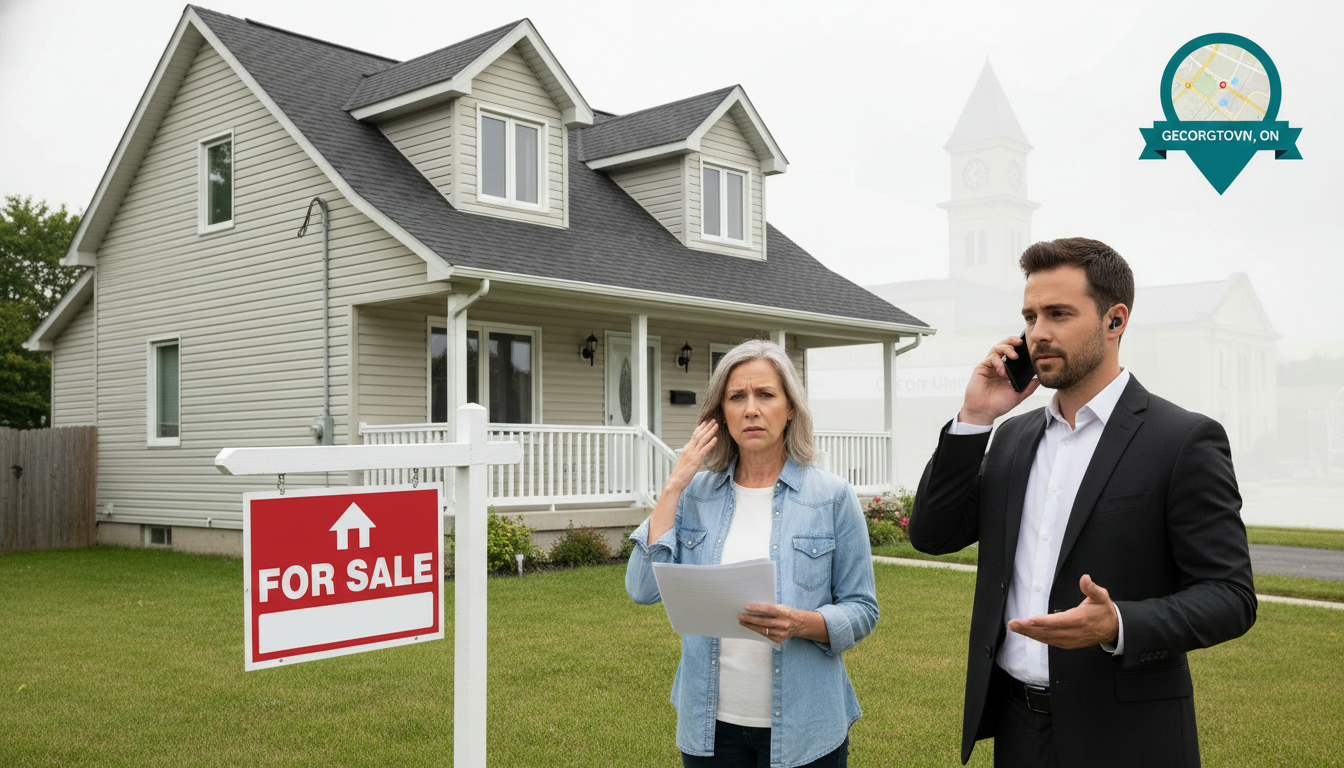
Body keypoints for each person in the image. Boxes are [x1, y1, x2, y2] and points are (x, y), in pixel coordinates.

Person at [910, 237, 1256, 767]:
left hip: (1126, 736)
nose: (1037, 332)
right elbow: (933, 534)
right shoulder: (1011, 438)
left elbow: (1231, 596)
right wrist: (974, 418)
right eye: (1029, 316)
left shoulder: (1182, 440)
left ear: (1114, 321)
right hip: (1017, 727)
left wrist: (1119, 623)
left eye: (1058, 313)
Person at [626, 339, 878, 768]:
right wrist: (673, 486)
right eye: (736, 397)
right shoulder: (694, 495)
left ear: (790, 408)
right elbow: (642, 587)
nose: (751, 409)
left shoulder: (832, 497)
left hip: (806, 726)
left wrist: (803, 623)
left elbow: (862, 609)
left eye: (765, 395)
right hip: (710, 727)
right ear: (721, 413)